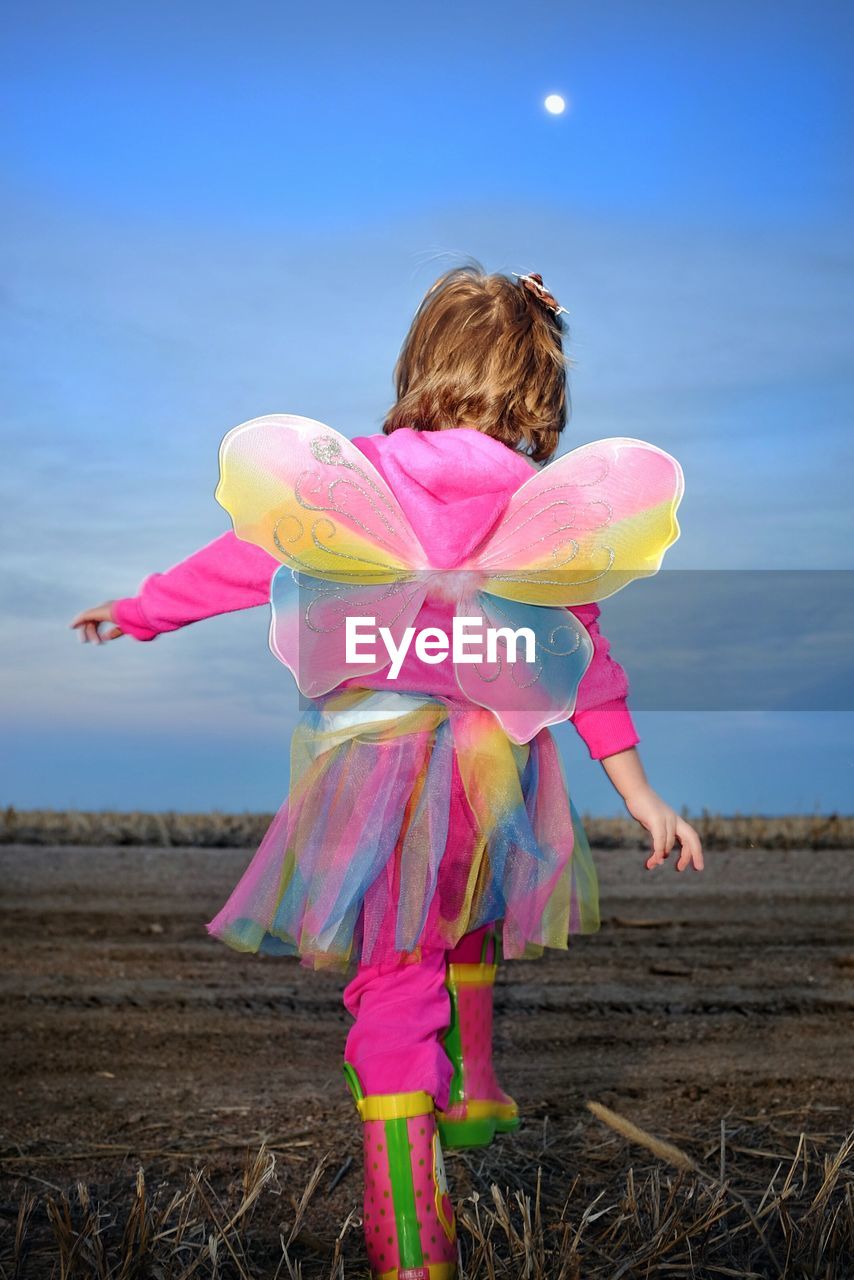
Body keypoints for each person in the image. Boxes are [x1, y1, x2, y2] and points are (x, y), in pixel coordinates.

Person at [70, 264, 703, 1280]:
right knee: (472, 896)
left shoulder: (360, 473)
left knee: (392, 981)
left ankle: (410, 1246)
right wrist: (639, 794)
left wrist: (140, 610)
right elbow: (582, 655)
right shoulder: (540, 505)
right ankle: (477, 1084)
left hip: (374, 767)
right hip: (493, 769)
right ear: (538, 392)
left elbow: (243, 558)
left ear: (421, 361)